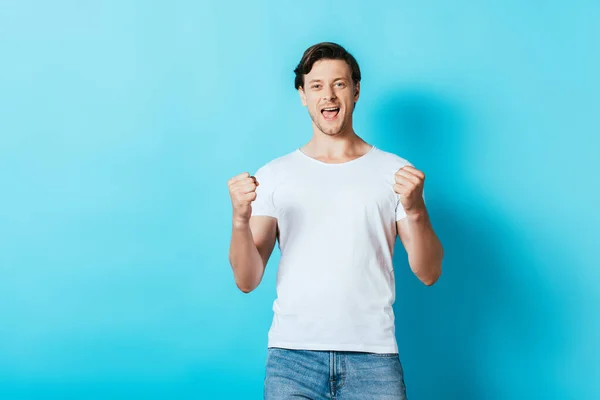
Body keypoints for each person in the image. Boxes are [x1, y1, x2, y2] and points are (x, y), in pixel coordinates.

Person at [227, 42, 444, 399]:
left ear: (356, 90)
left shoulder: (395, 173)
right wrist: (239, 219)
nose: (328, 95)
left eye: (339, 84)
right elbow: (247, 279)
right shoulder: (275, 175)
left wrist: (417, 209)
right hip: (291, 360)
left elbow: (429, 271)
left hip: (374, 360)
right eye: (316, 86)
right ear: (302, 95)